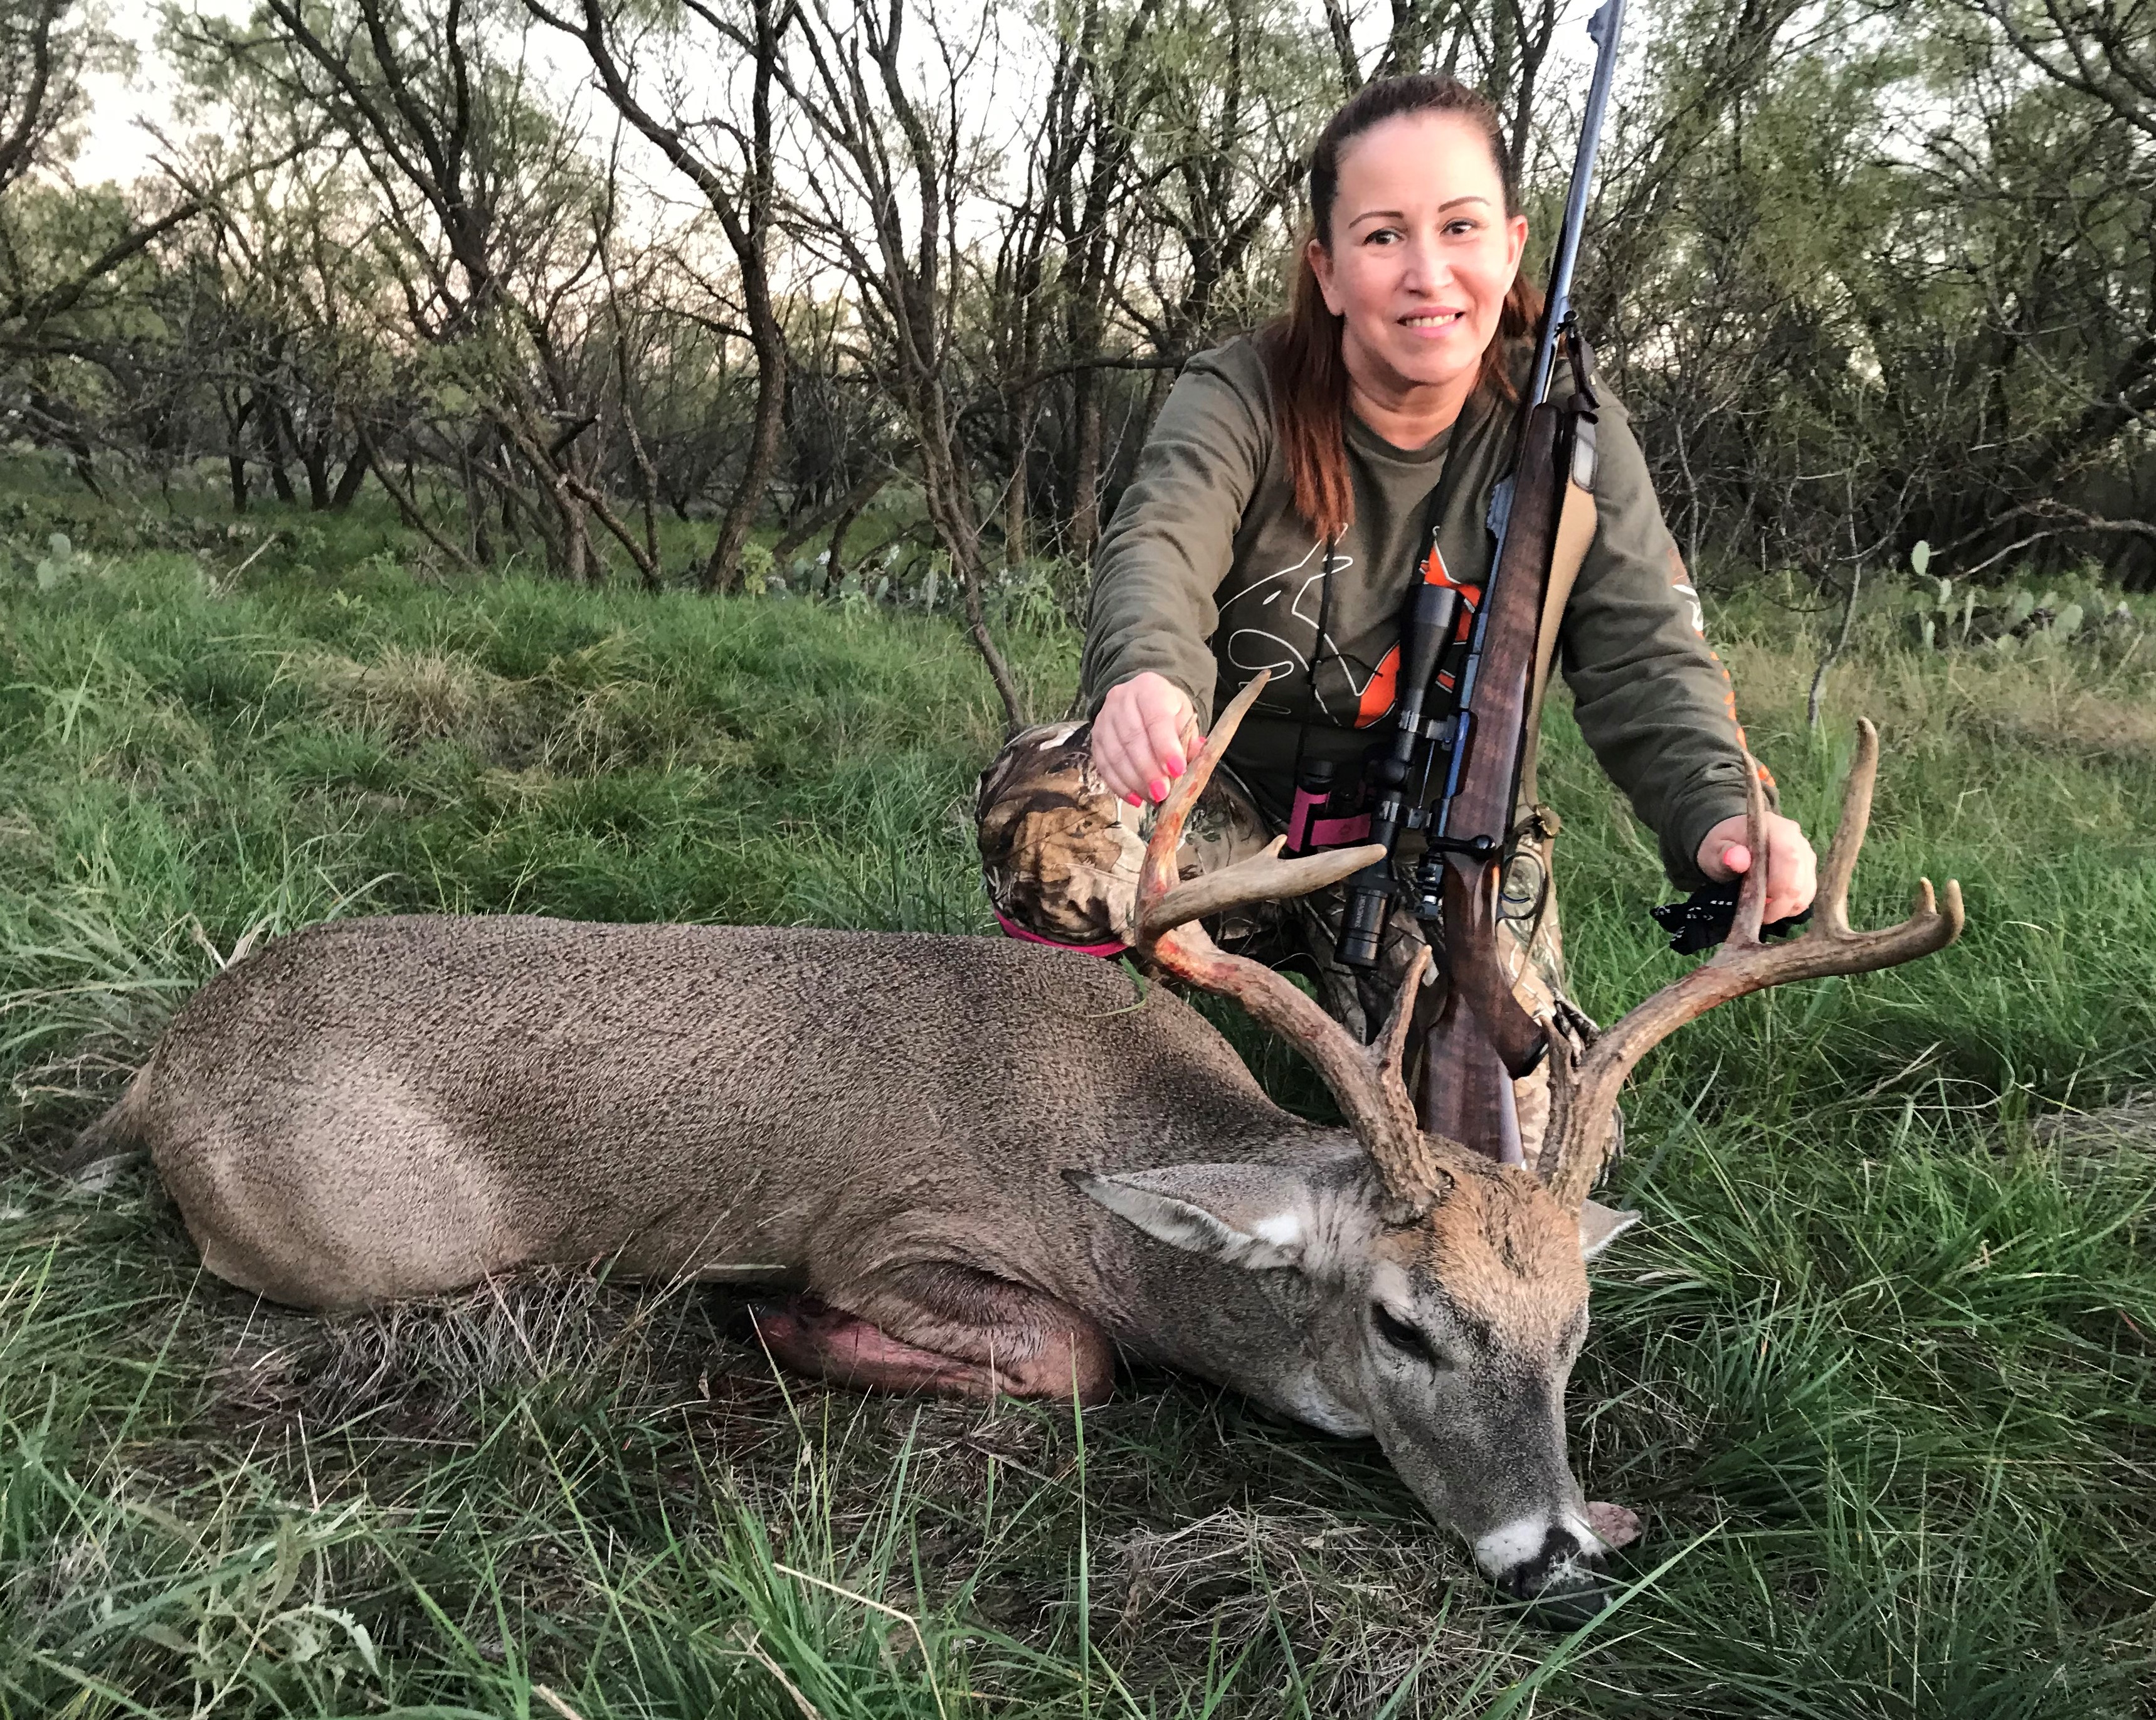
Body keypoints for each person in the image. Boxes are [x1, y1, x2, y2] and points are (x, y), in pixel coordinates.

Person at [976, 73, 1818, 1149]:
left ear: (1512, 246)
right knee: (1057, 815)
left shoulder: (1568, 432)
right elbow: (1158, 542)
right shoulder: (1242, 390)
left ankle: (1380, 1008)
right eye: (1382, 236)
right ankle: (1075, 1088)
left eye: (1459, 227)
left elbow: (1646, 652)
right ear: (1326, 270)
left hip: (1434, 842)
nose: (1428, 272)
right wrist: (1145, 675)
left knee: (1537, 1140)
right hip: (1231, 811)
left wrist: (1719, 816)